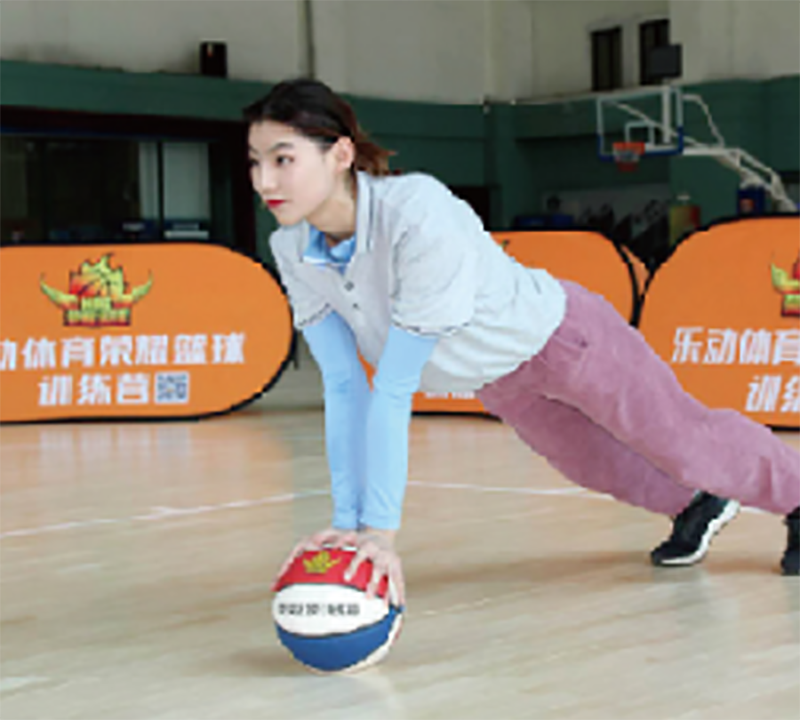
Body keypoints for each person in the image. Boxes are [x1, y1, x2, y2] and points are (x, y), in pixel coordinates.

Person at [245, 78, 800, 605]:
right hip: (497, 381)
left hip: (564, 338)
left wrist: (379, 534)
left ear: (340, 155)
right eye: (254, 162)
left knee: (682, 439)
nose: (264, 182)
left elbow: (393, 384)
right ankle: (697, 503)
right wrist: (347, 526)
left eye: (282, 160)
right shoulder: (292, 247)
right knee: (592, 465)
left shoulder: (415, 213)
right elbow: (345, 385)